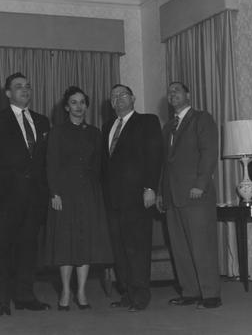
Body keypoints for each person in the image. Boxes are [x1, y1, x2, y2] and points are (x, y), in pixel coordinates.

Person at [0, 72, 51, 317]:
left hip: (34, 198)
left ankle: (25, 296)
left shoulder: (42, 121)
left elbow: (47, 160)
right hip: (3, 199)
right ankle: (1, 300)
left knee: (28, 249)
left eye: (27, 86)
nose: (25, 90)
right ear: (8, 93)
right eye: (19, 87)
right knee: (1, 249)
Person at [45, 86, 113, 311]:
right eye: (73, 102)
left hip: (89, 194)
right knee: (66, 244)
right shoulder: (57, 132)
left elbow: (100, 166)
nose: (78, 106)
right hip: (64, 194)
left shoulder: (95, 133)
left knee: (85, 243)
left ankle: (82, 291)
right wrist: (55, 192)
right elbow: (51, 165)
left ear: (86, 105)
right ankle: (65, 290)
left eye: (82, 102)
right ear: (66, 107)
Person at [157, 81, 221, 309]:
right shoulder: (167, 128)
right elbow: (165, 164)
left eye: (177, 90)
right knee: (180, 247)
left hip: (196, 194)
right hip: (173, 196)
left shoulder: (202, 119)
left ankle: (211, 294)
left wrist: (200, 184)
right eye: (170, 91)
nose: (172, 93)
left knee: (202, 245)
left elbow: (209, 152)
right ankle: (191, 291)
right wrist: (161, 193)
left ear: (188, 94)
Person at [102, 84, 163, 312]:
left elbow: (154, 156)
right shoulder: (107, 126)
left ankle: (140, 296)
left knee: (137, 248)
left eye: (123, 95)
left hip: (138, 197)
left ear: (133, 98)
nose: (118, 99)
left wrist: (150, 187)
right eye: (114, 96)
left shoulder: (147, 121)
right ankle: (127, 293)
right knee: (119, 250)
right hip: (113, 200)